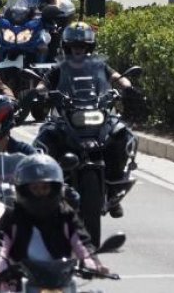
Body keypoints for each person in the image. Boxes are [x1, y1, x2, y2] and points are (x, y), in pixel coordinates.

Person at [34, 22, 139, 218]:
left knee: (122, 135)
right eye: (74, 46)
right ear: (67, 47)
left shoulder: (99, 66)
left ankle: (114, 188)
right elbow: (43, 84)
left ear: (89, 47)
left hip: (97, 112)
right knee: (44, 138)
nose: (78, 50)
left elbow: (117, 77)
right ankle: (49, 186)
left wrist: (127, 87)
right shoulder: (60, 68)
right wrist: (40, 93)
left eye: (82, 46)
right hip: (66, 117)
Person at [0, 154, 110, 287]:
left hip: (60, 280)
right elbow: (1, 246)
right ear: (24, 189)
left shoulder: (65, 214)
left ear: (55, 188)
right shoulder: (13, 217)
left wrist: (92, 264)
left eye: (45, 188)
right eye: (35, 188)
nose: (40, 193)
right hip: (20, 281)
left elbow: (81, 242)